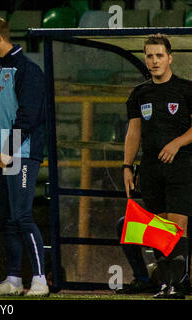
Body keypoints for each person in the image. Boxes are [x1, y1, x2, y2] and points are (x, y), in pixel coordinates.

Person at [0, 16, 49, 297]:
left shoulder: (28, 70)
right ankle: (14, 279)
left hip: (21, 155)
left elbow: (29, 115)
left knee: (22, 216)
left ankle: (40, 279)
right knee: (6, 219)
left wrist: (8, 150)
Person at [123, 33, 192, 299]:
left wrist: (176, 144)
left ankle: (177, 284)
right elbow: (134, 132)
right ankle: (166, 284)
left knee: (177, 224)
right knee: (159, 227)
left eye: (159, 55)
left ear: (170, 57)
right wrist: (127, 166)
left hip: (182, 165)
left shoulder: (186, 89)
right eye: (149, 56)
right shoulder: (140, 93)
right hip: (151, 168)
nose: (154, 61)